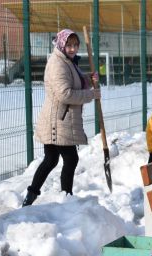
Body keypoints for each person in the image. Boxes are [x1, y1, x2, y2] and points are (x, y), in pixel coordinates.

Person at [23, 29, 100, 207]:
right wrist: (90, 95)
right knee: (70, 159)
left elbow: (74, 81)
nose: (72, 49)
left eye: (75, 45)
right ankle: (66, 198)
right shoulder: (58, 63)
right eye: (69, 45)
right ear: (61, 44)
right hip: (58, 121)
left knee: (51, 160)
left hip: (60, 119)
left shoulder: (67, 61)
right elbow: (65, 94)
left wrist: (88, 78)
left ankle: (31, 196)